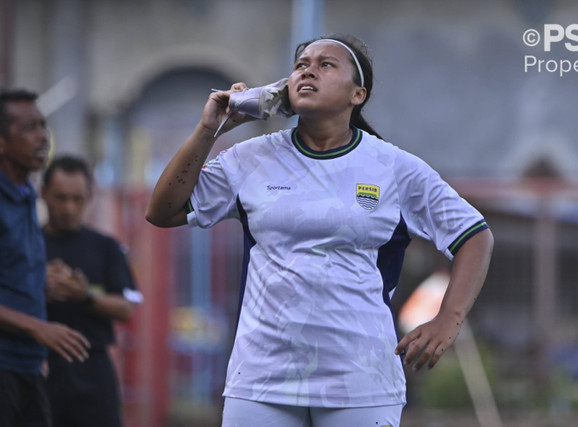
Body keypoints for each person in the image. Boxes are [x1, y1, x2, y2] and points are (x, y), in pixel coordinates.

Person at [145, 34, 494, 427]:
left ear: (357, 94)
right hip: (261, 380)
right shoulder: (249, 158)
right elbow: (163, 211)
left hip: (362, 381)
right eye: (300, 64)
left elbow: (475, 235)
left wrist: (449, 318)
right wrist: (209, 128)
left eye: (326, 65)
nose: (307, 69)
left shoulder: (395, 167)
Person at [0, 89, 90, 427]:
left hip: (28, 366)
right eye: (28, 128)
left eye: (43, 125)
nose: (42, 136)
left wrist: (43, 278)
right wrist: (38, 328)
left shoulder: (25, 196)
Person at [41, 155, 141, 427]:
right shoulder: (29, 247)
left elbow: (125, 308)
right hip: (42, 365)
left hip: (93, 367)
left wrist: (85, 295)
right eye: (60, 198)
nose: (69, 207)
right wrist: (39, 285)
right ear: (43, 194)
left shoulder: (105, 247)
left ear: (90, 197)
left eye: (77, 198)